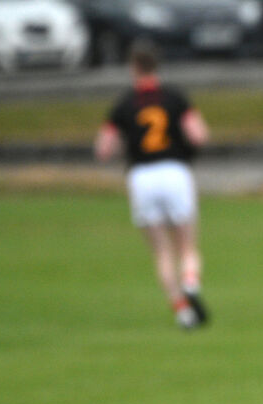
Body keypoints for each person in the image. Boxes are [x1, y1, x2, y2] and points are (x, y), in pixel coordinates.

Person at [95, 39, 210, 330]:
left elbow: (104, 149)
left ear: (133, 67)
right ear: (157, 65)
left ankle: (182, 312)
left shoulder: (124, 104)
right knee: (186, 244)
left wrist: (126, 144)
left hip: (142, 176)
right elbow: (198, 135)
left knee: (161, 251)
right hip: (175, 171)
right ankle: (191, 282)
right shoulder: (174, 97)